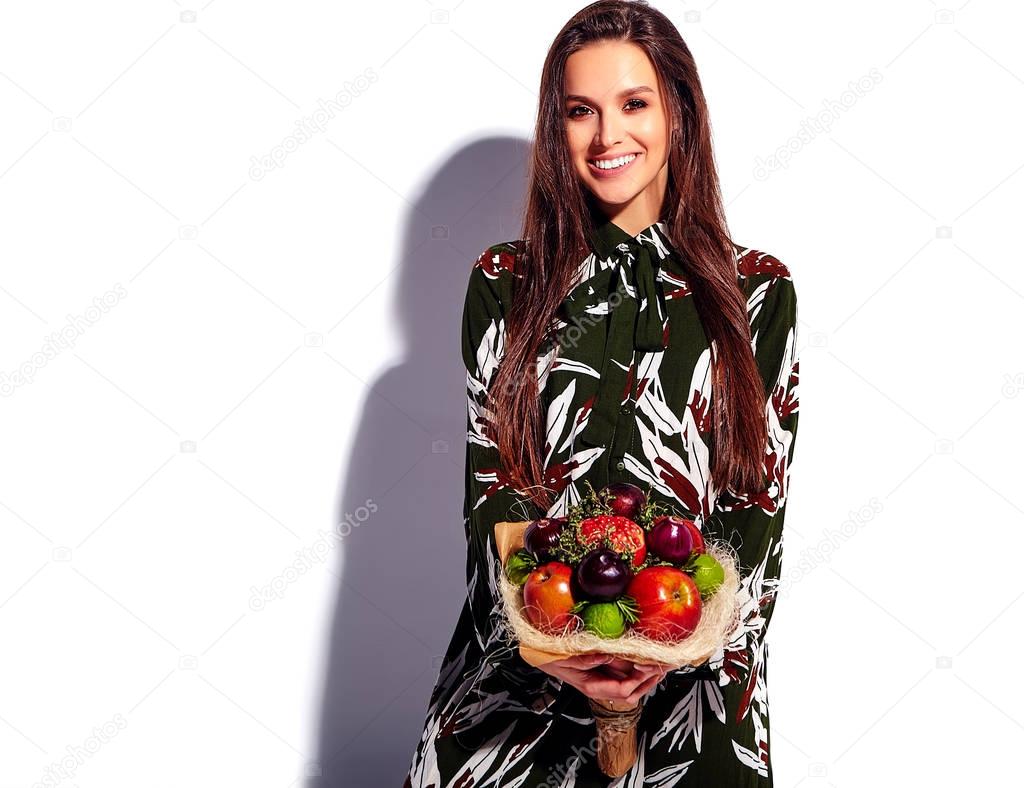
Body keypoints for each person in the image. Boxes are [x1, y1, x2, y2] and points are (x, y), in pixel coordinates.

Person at [403, 0, 800, 784]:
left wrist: (665, 650)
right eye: (580, 111)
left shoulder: (758, 292)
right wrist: (560, 649)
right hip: (520, 683)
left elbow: (756, 510)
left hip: (692, 694)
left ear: (678, 113)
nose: (608, 135)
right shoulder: (504, 283)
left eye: (634, 103)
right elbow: (493, 494)